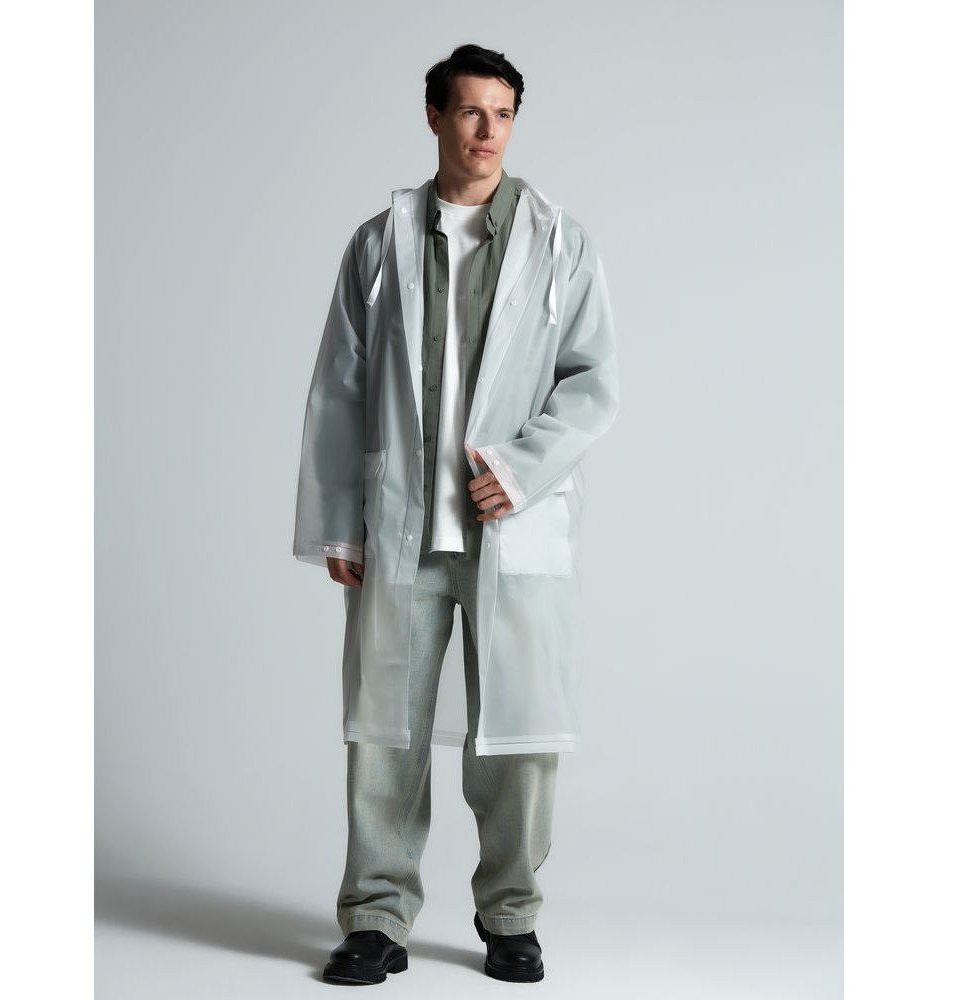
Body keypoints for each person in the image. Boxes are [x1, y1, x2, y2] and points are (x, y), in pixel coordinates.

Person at [293, 43, 620, 985]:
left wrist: (520, 471)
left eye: (503, 114)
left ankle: (511, 916)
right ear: (434, 115)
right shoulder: (379, 244)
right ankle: (376, 918)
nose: (488, 131)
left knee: (519, 736)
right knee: (383, 732)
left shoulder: (560, 244)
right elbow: (340, 390)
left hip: (510, 528)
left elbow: (593, 383)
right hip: (402, 529)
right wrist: (340, 521)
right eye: (471, 111)